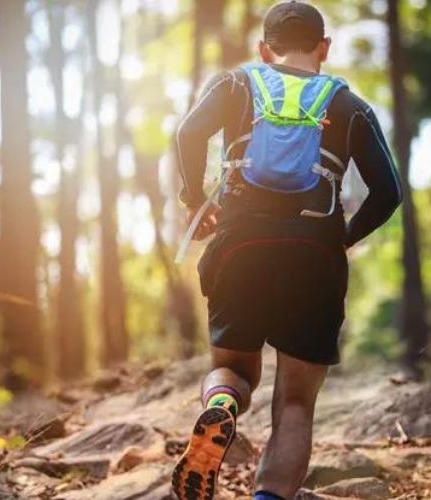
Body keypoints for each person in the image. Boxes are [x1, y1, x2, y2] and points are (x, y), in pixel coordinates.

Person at [171, 2, 401, 499]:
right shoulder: (349, 106)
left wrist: (197, 199)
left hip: (240, 244)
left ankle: (224, 406)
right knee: (295, 403)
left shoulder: (236, 85)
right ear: (324, 48)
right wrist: (341, 238)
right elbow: (389, 194)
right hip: (313, 252)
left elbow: (188, 132)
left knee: (233, 369)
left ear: (263, 48)